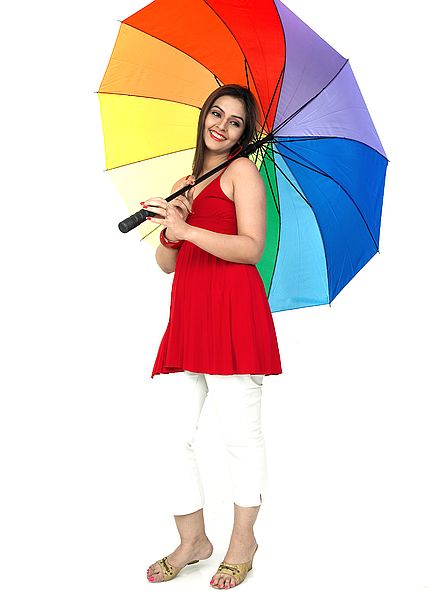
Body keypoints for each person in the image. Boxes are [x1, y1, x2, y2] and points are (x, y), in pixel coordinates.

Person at [143, 84, 282, 589]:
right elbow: (165, 264)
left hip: (232, 313)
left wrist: (191, 231)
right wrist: (169, 227)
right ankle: (194, 540)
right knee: (168, 436)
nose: (221, 126)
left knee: (240, 437)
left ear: (246, 133)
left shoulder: (243, 171)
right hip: (189, 316)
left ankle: (243, 541)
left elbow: (251, 247)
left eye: (235, 121)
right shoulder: (185, 181)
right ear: (204, 116)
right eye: (216, 114)